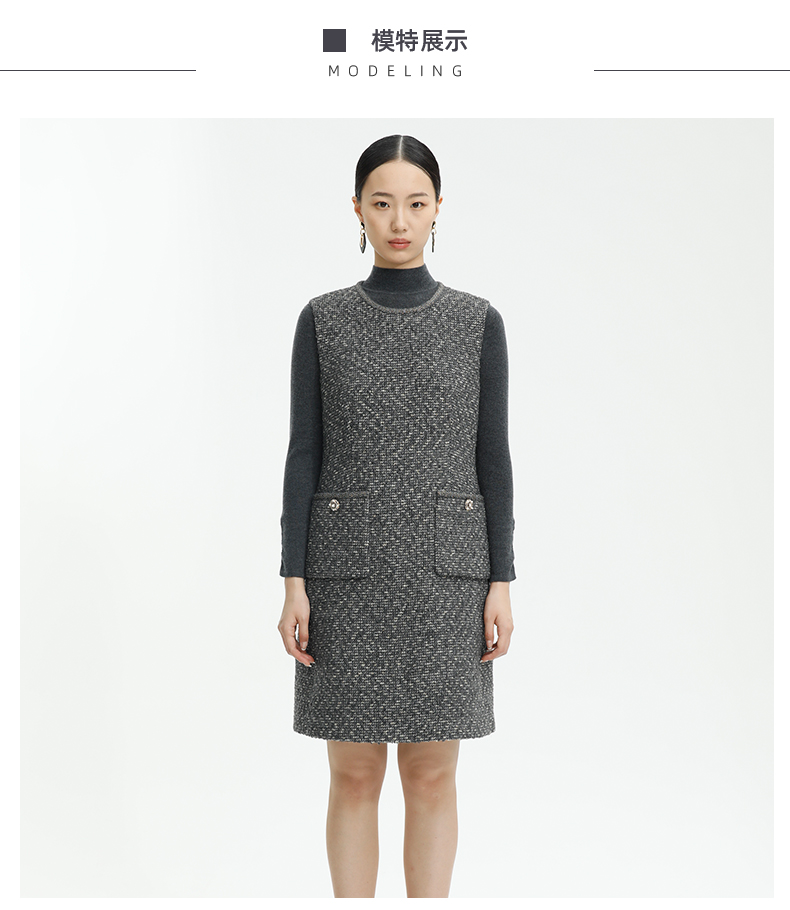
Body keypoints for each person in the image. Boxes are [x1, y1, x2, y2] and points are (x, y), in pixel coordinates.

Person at [277, 134, 516, 898]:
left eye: (415, 203)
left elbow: (493, 457)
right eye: (382, 203)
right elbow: (304, 454)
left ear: (439, 208)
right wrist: (293, 581)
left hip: (449, 576)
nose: (400, 221)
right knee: (352, 771)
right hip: (345, 575)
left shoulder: (478, 322)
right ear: (357, 209)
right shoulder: (323, 320)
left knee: (432, 770)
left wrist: (502, 581)